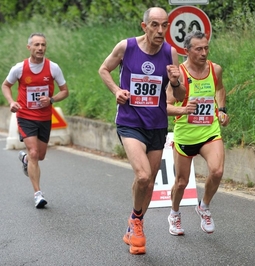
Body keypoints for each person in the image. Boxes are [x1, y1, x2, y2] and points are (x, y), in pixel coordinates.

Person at [98, 7, 186, 255]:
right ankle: (136, 224)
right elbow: (104, 69)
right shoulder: (126, 47)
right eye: (155, 25)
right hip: (130, 121)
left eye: (165, 26)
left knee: (148, 185)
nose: (160, 31)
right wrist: (116, 90)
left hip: (157, 124)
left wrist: (176, 81)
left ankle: (134, 222)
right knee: (144, 175)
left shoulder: (171, 53)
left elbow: (179, 96)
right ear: (144, 26)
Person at [166, 30, 230, 235]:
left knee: (217, 171)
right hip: (186, 133)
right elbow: (166, 106)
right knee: (181, 182)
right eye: (198, 49)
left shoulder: (215, 69)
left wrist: (221, 110)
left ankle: (204, 206)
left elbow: (219, 89)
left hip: (209, 130)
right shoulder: (179, 75)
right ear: (187, 51)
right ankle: (174, 213)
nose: (204, 53)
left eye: (206, 48)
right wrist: (183, 110)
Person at [1, 33, 69, 208]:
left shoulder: (53, 68)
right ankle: (38, 194)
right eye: (37, 45)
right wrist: (11, 102)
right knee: (33, 153)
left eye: (43, 45)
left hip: (45, 117)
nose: (40, 48)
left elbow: (64, 91)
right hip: (25, 116)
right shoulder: (19, 68)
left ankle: (25, 160)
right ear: (29, 47)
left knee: (40, 155)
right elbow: (5, 85)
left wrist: (51, 100)